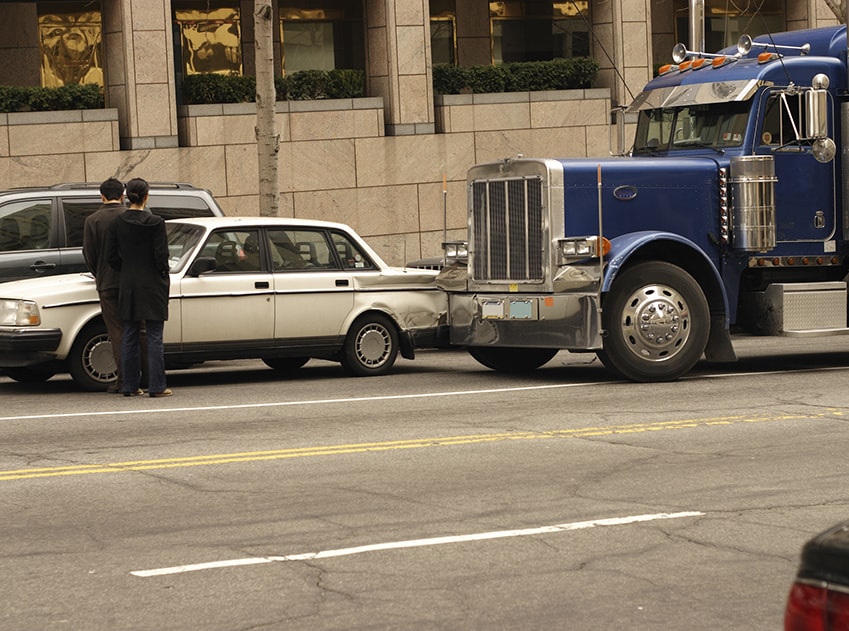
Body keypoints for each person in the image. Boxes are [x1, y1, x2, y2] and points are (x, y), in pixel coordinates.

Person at [105, 177, 172, 398]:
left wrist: (127, 269)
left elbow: (111, 257)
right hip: (152, 283)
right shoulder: (156, 222)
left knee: (129, 334)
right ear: (146, 196)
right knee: (153, 335)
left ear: (127, 196)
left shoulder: (117, 223)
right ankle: (157, 386)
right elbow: (161, 257)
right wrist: (162, 273)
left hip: (129, 282)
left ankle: (130, 385)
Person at [82, 177, 126, 393]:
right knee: (139, 328)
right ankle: (146, 376)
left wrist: (98, 274)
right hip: (132, 282)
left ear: (102, 196)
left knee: (116, 330)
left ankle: (123, 378)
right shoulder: (130, 216)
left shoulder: (93, 220)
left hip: (107, 282)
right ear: (122, 195)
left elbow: (89, 254)